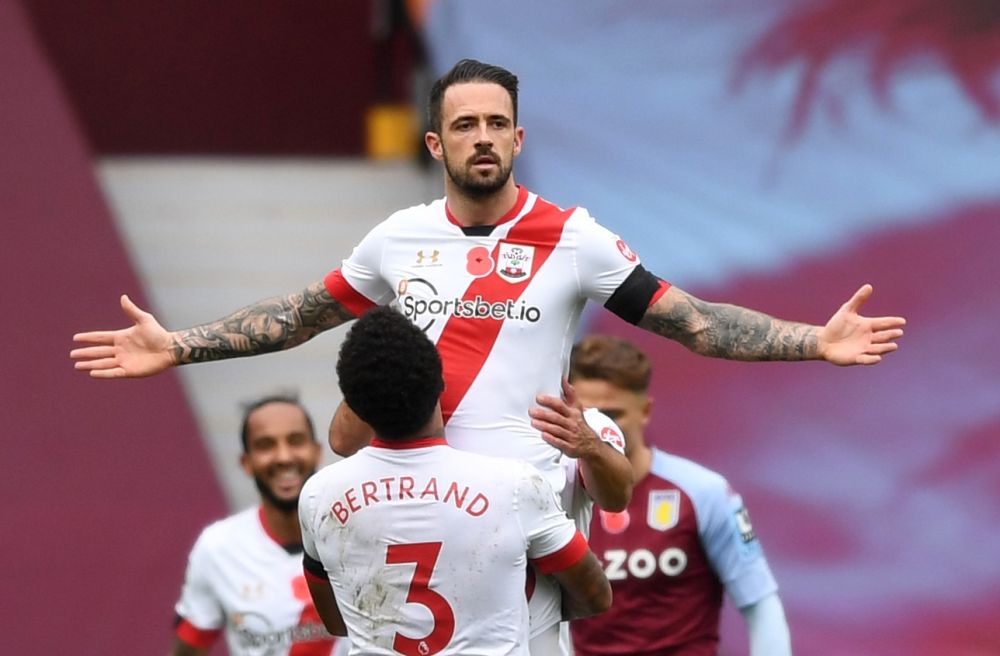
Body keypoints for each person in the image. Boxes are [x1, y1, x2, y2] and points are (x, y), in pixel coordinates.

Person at [72, 57, 901, 646]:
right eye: (463, 124)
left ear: (517, 136)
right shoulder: (399, 237)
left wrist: (812, 342)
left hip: (522, 515)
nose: (482, 138)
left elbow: (690, 319)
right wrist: (178, 346)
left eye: (496, 124)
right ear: (434, 143)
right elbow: (304, 314)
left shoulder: (573, 238)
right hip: (402, 503)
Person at [298, 306, 612, 654]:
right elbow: (595, 595)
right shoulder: (512, 485)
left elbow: (336, 620)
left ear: (354, 404)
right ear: (441, 383)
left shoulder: (319, 494)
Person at [567, 335, 792, 656]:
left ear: (644, 411)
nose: (602, 430)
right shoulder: (554, 492)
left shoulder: (704, 492)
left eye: (613, 415)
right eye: (589, 416)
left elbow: (760, 601)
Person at [170, 394, 346, 656]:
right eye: (266, 445)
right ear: (246, 462)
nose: (284, 457)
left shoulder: (356, 531)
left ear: (316, 451)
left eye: (295, 441)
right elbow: (187, 648)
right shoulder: (218, 548)